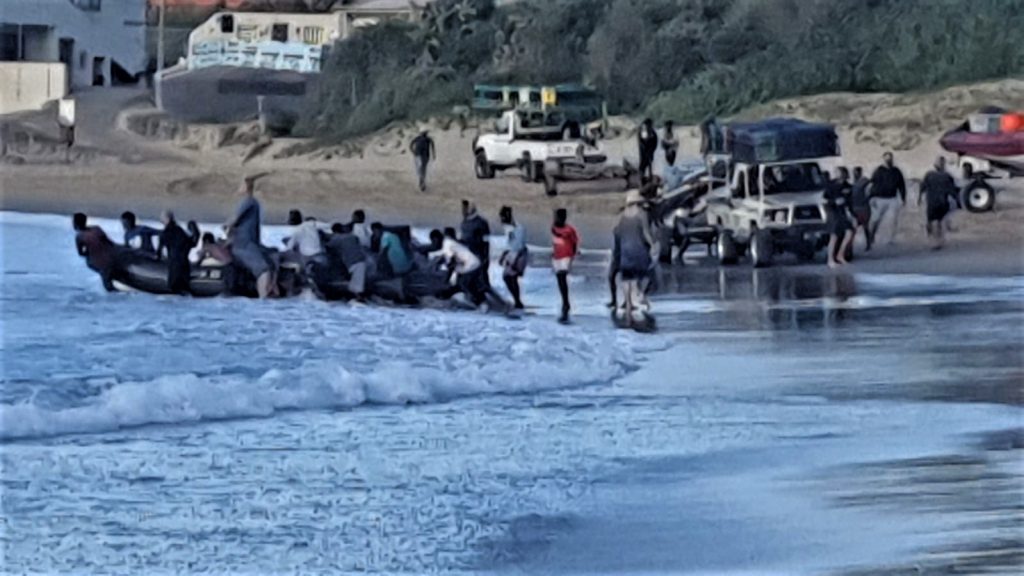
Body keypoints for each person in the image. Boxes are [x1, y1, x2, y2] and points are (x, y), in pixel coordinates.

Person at [225, 177, 276, 299]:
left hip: (246, 243)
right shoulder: (250, 202)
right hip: (244, 244)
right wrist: (228, 226)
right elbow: (235, 220)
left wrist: (227, 227)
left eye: (241, 185)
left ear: (245, 187)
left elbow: (235, 220)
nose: (239, 188)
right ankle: (262, 298)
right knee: (263, 269)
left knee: (268, 262)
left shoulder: (249, 201)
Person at [612, 190, 655, 324]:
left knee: (626, 279)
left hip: (625, 252)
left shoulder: (622, 217)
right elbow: (646, 234)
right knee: (648, 274)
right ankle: (642, 295)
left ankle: (628, 306)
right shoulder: (641, 215)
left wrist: (617, 253)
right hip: (639, 252)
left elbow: (617, 233)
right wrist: (653, 245)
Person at [428, 229, 490, 306]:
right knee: (460, 285)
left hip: (471, 265)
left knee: (463, 284)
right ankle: (480, 300)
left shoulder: (447, 245)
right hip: (471, 264)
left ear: (436, 238)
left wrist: (446, 279)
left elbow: (451, 263)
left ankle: (481, 303)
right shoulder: (448, 243)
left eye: (433, 242)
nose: (434, 244)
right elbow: (451, 261)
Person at [918, 156, 962, 250]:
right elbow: (953, 190)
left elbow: (922, 187)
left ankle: (934, 241)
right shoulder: (946, 176)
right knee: (938, 221)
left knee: (932, 221)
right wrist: (958, 202)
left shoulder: (929, 175)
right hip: (941, 201)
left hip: (933, 201)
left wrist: (919, 198)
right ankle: (937, 241)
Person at [868, 152, 907, 246]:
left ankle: (890, 239)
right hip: (879, 199)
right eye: (887, 158)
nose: (889, 160)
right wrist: (871, 198)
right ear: (883, 159)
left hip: (892, 199)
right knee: (875, 219)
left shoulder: (896, 171)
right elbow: (872, 184)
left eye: (890, 158)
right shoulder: (878, 171)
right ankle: (870, 237)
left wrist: (903, 197)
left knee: (892, 220)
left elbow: (901, 185)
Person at [73, 212, 119, 291]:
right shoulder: (97, 228)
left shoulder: (79, 236)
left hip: (98, 262)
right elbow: (108, 242)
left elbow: (81, 253)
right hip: (111, 257)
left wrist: (89, 251)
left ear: (75, 223)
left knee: (109, 287)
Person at [551, 208, 580, 324]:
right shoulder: (553, 228)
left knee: (562, 277)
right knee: (560, 280)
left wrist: (573, 255)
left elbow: (574, 242)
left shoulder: (570, 230)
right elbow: (555, 240)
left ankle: (566, 304)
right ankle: (565, 301)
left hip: (566, 257)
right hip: (556, 257)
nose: (556, 219)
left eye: (558, 217)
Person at [325, 223, 369, 297]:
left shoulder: (337, 238)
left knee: (356, 290)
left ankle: (358, 301)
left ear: (334, 231)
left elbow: (328, 246)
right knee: (356, 287)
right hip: (362, 260)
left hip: (354, 263)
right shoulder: (352, 236)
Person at [823, 168, 855, 268]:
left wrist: (853, 214)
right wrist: (834, 202)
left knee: (849, 232)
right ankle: (830, 260)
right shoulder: (831, 185)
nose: (837, 174)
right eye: (836, 172)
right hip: (833, 212)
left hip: (843, 212)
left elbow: (850, 201)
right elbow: (824, 199)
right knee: (834, 236)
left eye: (839, 172)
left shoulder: (848, 187)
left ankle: (840, 255)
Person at [498, 205, 527, 309]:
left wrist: (514, 261)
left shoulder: (518, 229)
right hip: (511, 253)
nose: (501, 220)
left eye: (502, 217)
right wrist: (503, 255)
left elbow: (518, 246)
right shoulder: (507, 228)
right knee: (508, 277)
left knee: (511, 277)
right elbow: (508, 243)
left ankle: (518, 301)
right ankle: (517, 301)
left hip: (519, 254)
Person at [157, 210, 193, 295]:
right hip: (184, 263)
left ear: (167, 219)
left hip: (174, 264)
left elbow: (159, 252)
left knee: (174, 289)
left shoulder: (164, 233)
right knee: (185, 290)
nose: (161, 220)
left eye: (162, 218)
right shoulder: (180, 230)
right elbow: (189, 243)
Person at [460, 200, 491, 282]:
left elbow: (486, 240)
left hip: (478, 253)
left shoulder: (481, 223)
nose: (463, 210)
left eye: (465, 208)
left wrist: (485, 255)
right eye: (463, 208)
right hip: (466, 253)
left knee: (482, 276)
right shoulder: (464, 222)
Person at [850, 166, 873, 251]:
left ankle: (869, 244)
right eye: (854, 172)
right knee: (854, 227)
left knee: (865, 226)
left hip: (863, 207)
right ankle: (850, 245)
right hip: (855, 207)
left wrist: (867, 199)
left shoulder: (865, 181)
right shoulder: (852, 182)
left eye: (856, 172)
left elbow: (870, 190)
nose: (855, 174)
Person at [637, 118, 658, 183]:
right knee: (643, 164)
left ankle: (650, 178)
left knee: (650, 164)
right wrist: (646, 151)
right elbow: (642, 142)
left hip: (650, 151)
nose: (650, 126)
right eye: (649, 124)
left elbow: (655, 142)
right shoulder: (643, 131)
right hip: (644, 151)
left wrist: (652, 150)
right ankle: (642, 179)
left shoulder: (652, 132)